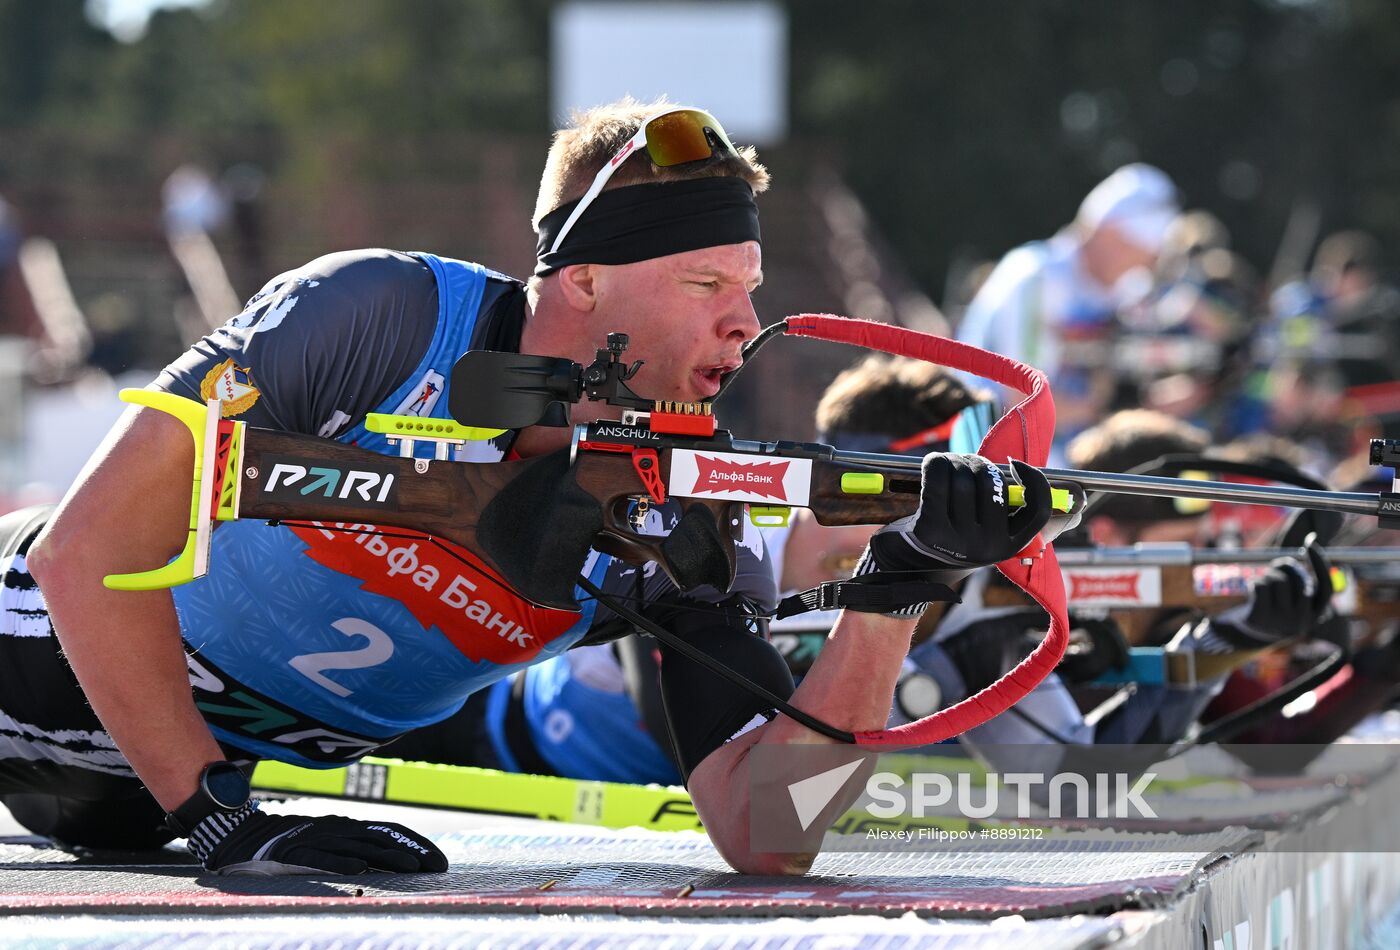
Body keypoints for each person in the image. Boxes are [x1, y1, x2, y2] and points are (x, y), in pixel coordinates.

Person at [7, 99, 1054, 876]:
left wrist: (896, 591)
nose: (742, 321)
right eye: (705, 283)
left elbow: (767, 832)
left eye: (749, 288)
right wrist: (221, 817)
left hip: (137, 802)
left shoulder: (685, 497)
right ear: (583, 279)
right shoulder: (377, 316)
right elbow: (79, 549)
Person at [955, 164, 1180, 462]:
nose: (1143, 267)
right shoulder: (1036, 277)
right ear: (1108, 233)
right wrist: (1114, 409)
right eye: (1138, 252)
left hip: (1053, 457)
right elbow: (1022, 402)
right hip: (990, 459)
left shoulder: (1119, 291)